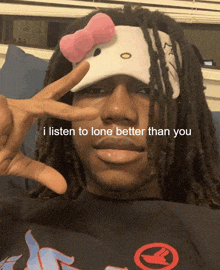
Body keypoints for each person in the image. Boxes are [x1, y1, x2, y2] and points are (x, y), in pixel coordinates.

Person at [0, 5, 220, 270]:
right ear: (63, 113)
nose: (118, 111)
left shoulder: (210, 236)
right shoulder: (10, 218)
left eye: (147, 90)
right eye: (96, 88)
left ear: (182, 116)